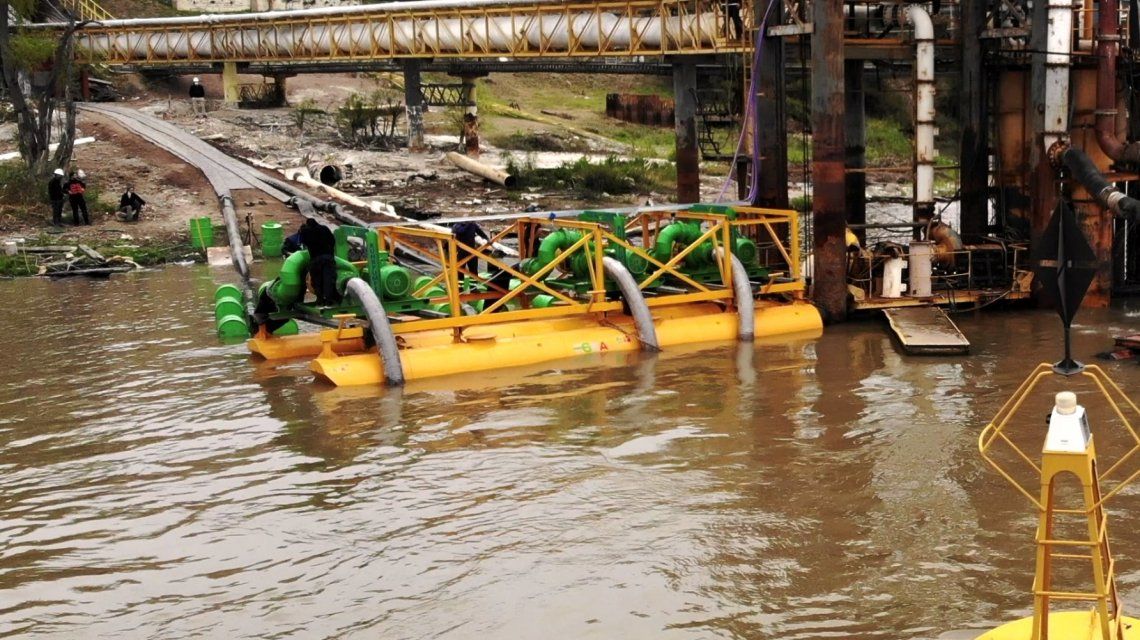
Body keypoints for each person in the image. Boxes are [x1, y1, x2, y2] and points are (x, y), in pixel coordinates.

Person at [299, 218, 339, 305]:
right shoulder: (324, 228)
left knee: (317, 280)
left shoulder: (306, 231)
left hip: (315, 259)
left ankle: (320, 299)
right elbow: (332, 240)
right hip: (328, 258)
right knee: (328, 279)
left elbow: (302, 242)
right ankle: (328, 300)